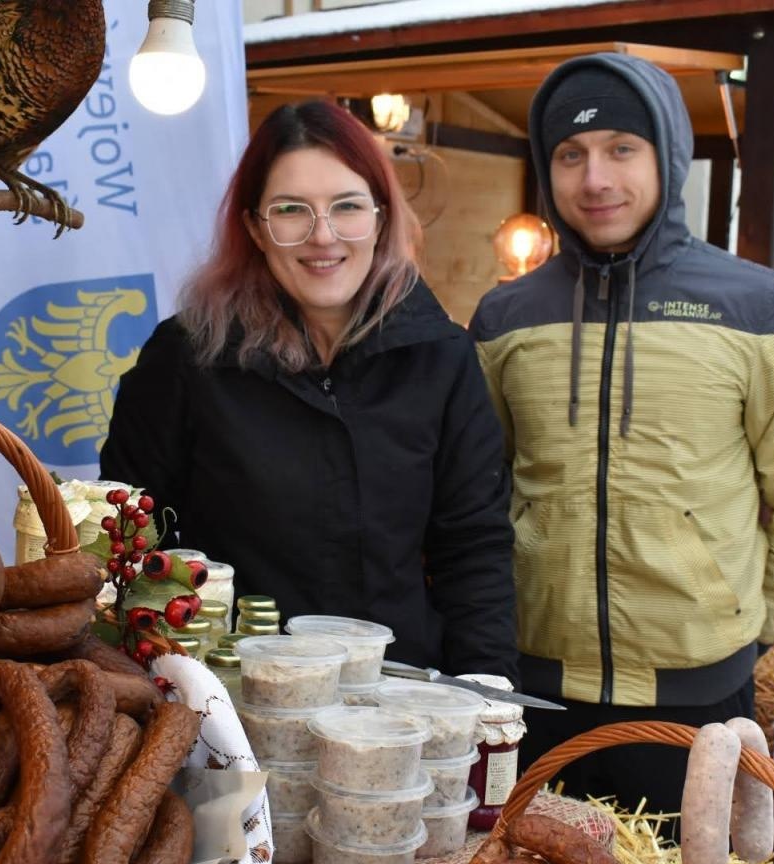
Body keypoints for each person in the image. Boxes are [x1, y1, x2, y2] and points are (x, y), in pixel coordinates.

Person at [473, 54, 774, 815]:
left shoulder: (763, 310)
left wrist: (752, 628)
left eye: (622, 148)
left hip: (697, 696)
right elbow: (480, 488)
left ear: (668, 156)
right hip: (534, 690)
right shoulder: (506, 318)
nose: (595, 179)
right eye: (570, 154)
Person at [101, 100, 517, 679]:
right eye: (291, 210)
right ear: (255, 227)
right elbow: (130, 544)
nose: (323, 236)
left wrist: (487, 693)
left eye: (347, 206)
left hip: (396, 698)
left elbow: (473, 549)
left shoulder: (440, 358)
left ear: (381, 217)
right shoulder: (187, 357)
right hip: (227, 701)